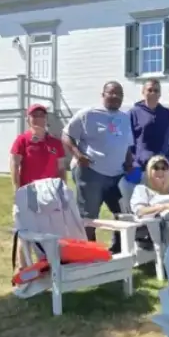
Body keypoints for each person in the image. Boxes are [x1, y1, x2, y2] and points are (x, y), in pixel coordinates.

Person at [62, 81, 134, 251]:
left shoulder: (124, 118)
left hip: (117, 176)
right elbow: (66, 135)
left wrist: (129, 161)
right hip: (91, 173)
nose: (115, 96)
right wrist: (78, 155)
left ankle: (118, 248)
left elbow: (127, 144)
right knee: (89, 215)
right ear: (103, 95)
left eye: (119, 94)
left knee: (122, 213)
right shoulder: (88, 114)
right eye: (111, 93)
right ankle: (89, 252)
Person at [10, 103, 66, 190]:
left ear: (46, 119)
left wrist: (63, 188)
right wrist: (17, 189)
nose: (38, 118)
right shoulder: (22, 140)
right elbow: (14, 165)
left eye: (41, 115)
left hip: (51, 190)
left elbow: (61, 169)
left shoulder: (56, 143)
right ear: (28, 119)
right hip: (28, 189)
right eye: (34, 115)